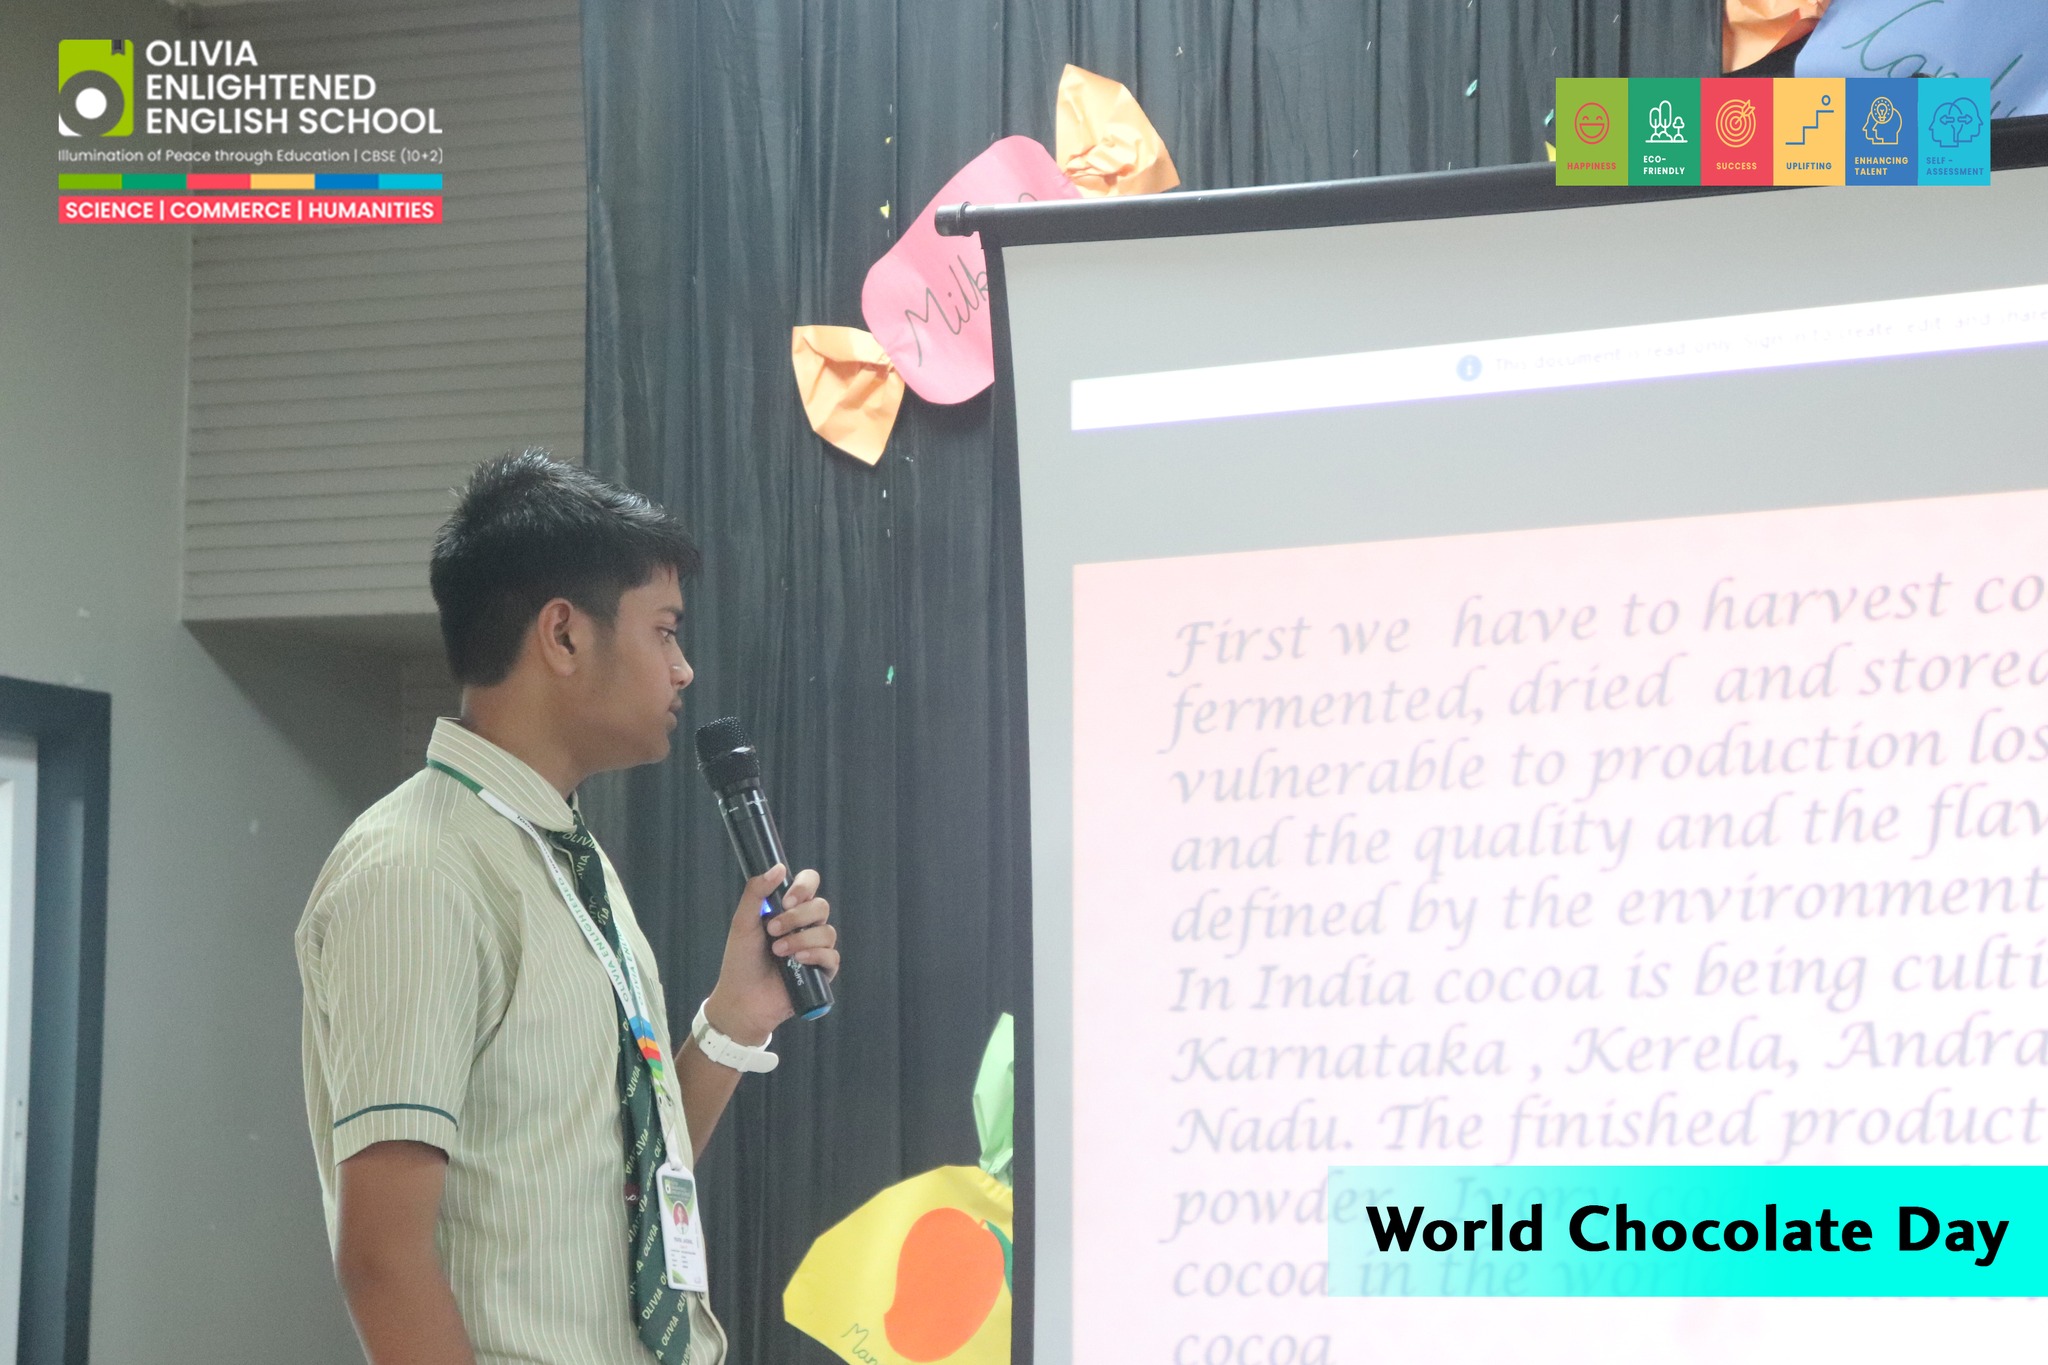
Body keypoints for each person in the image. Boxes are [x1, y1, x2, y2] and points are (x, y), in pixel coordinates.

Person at [296, 450, 841, 1364]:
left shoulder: (556, 851)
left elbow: (625, 1177)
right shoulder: (419, 869)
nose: (684, 669)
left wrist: (733, 1019)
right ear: (564, 634)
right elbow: (383, 1261)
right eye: (664, 632)